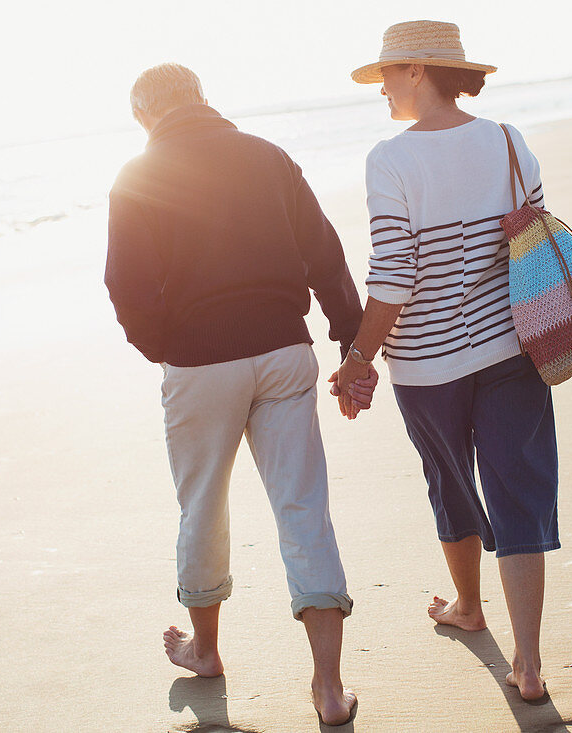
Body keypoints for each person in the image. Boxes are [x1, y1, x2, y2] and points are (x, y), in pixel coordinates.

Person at [105, 63, 375, 725]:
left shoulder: (136, 176)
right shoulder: (266, 156)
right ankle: (329, 688)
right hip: (285, 351)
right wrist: (350, 341)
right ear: (202, 98)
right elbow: (325, 254)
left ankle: (206, 650)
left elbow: (124, 286)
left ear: (143, 117)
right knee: (303, 509)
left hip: (199, 364)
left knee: (202, 505)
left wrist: (169, 347)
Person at [336, 21, 559, 702]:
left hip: (429, 366)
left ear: (415, 72)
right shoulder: (506, 140)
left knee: (451, 482)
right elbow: (536, 233)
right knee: (517, 491)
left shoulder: (390, 160)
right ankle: (527, 660)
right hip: (512, 349)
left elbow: (395, 273)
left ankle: (468, 605)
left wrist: (357, 356)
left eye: (386, 76)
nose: (381, 90)